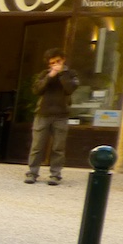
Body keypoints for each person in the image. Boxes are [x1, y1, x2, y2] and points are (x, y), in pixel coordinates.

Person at [25, 48, 79, 185]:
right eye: (52, 63)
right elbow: (37, 90)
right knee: (37, 146)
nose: (55, 65)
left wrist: (61, 74)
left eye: (58, 61)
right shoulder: (44, 74)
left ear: (63, 60)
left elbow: (70, 89)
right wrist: (50, 76)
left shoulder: (71, 74)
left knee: (58, 147)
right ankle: (32, 173)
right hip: (43, 114)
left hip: (61, 115)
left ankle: (55, 175)